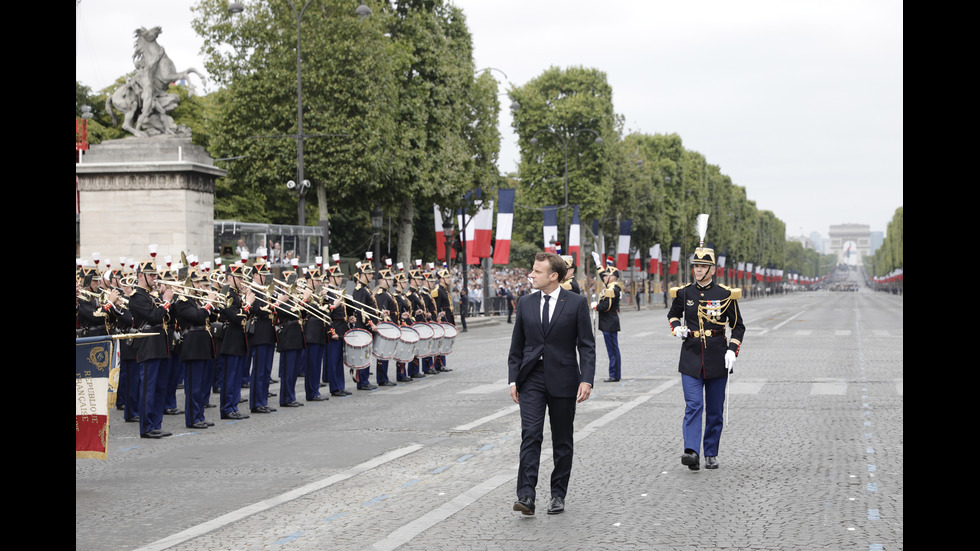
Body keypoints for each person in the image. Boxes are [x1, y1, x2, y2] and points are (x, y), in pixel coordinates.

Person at [507, 252, 596, 516]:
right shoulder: (525, 302)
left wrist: (587, 379)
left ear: (553, 276)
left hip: (564, 378)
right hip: (531, 378)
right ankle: (526, 495)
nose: (531, 275)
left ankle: (558, 494)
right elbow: (517, 346)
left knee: (562, 440)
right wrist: (513, 379)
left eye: (536, 271)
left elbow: (587, 346)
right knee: (531, 435)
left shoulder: (576, 303)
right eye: (532, 270)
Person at [667, 214, 745, 471]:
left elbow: (738, 325)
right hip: (690, 356)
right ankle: (691, 451)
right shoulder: (685, 292)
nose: (698, 270)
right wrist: (677, 328)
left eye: (703, 267)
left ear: (712, 269)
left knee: (714, 410)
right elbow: (673, 314)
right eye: (695, 266)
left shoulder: (724, 294)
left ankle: (710, 450)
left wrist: (733, 350)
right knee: (693, 405)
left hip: (717, 356)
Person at [595, 264, 623, 382]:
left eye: (606, 276)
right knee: (612, 349)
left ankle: (614, 374)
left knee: (612, 350)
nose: (604, 278)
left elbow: (607, 306)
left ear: (612, 277)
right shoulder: (611, 287)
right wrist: (598, 265)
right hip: (608, 322)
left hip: (609, 322)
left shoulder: (612, 289)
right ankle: (615, 373)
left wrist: (597, 306)